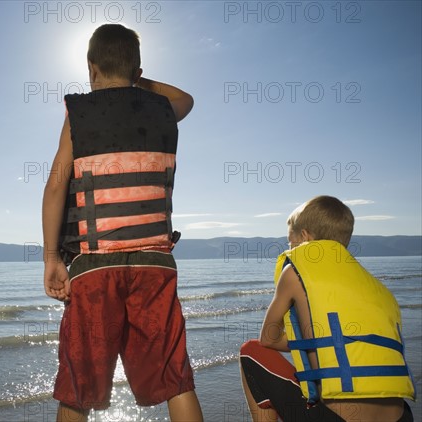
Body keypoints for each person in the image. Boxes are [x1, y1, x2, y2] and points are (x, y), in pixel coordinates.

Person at [42, 24, 203, 422]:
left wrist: (50, 257)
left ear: (90, 67)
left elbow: (55, 185)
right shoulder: (164, 109)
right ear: (137, 69)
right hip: (155, 263)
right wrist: (135, 79)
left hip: (96, 263)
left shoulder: (79, 113)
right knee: (175, 379)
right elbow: (186, 98)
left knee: (79, 386)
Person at [240, 195, 416, 421]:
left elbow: (268, 338)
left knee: (251, 351)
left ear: (304, 237)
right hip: (401, 416)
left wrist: (309, 344)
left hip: (339, 418)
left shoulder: (294, 272)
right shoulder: (379, 289)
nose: (290, 247)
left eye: (289, 241)